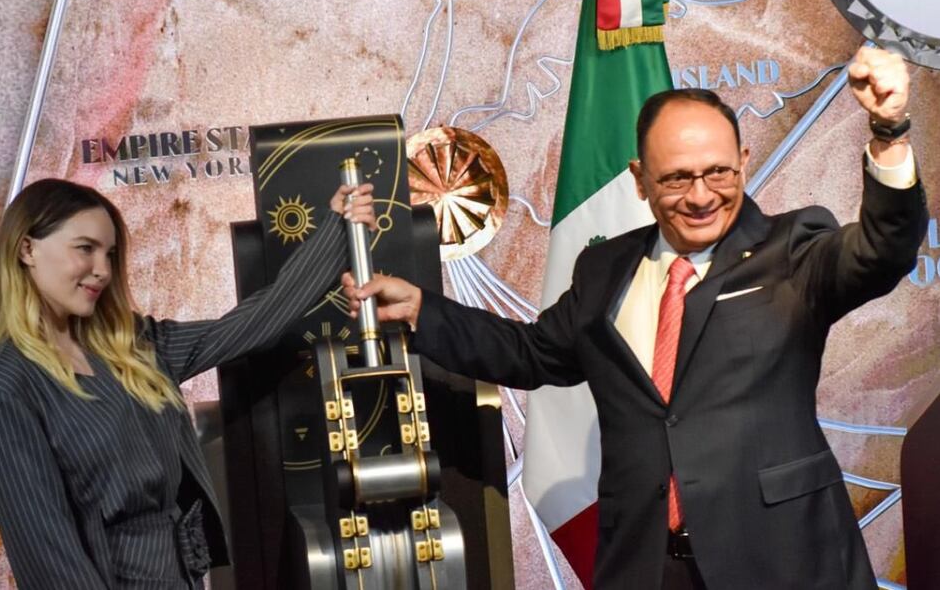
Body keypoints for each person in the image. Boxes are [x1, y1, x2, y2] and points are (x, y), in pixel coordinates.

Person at [343, 46, 926, 589]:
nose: (701, 196)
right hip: (645, 565)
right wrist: (422, 308)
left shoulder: (795, 247)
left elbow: (883, 250)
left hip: (782, 558)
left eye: (718, 172)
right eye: (676, 178)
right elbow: (531, 353)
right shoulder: (603, 268)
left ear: (744, 163)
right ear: (639, 180)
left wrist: (889, 131)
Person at [0, 177, 375, 588]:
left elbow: (251, 325)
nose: (103, 271)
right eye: (85, 249)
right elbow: (48, 560)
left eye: (110, 254)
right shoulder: (7, 391)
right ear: (26, 249)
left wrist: (336, 230)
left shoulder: (132, 344)